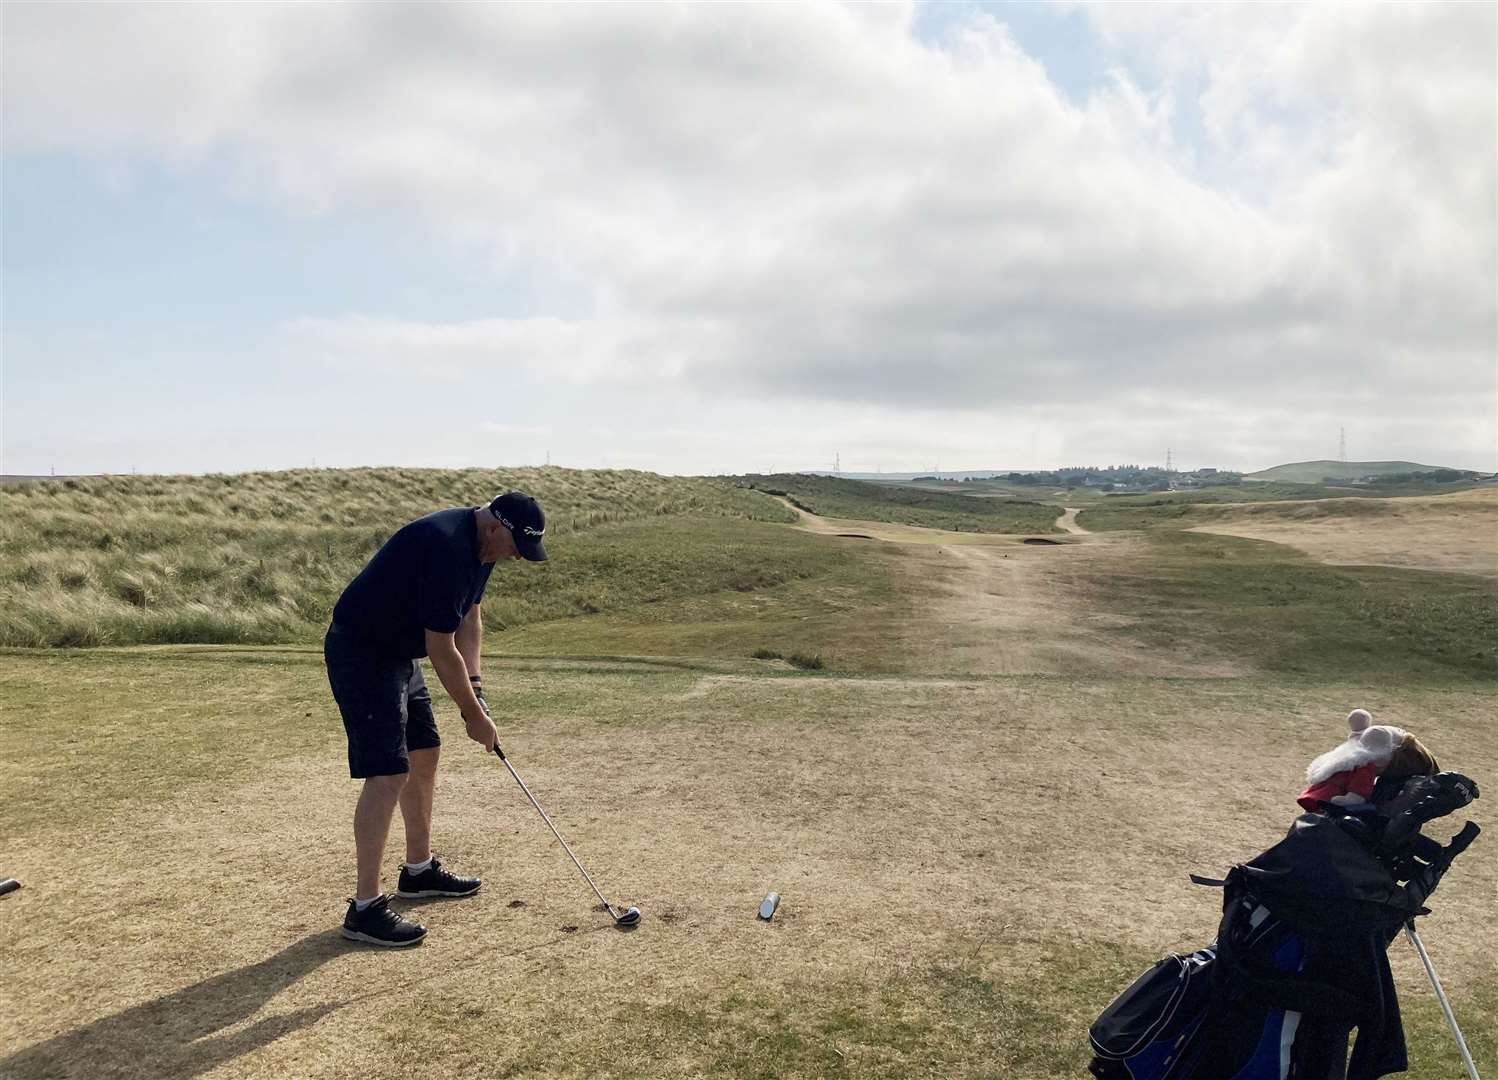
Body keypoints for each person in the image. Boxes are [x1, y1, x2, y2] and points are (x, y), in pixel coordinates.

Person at [324, 491, 548, 946]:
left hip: (399, 654)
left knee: (425, 751)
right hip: (363, 651)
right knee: (388, 772)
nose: (514, 558)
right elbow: (440, 647)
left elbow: (470, 615)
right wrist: (472, 715)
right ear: (495, 528)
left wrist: (477, 685)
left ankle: (419, 871)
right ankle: (365, 908)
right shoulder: (447, 546)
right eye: (514, 548)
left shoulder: (481, 547)